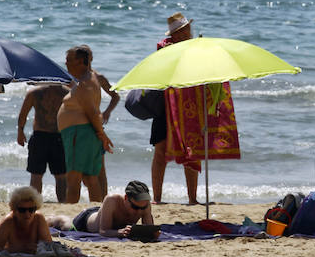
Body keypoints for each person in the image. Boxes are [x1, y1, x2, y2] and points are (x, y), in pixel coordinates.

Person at [152, 12, 240, 204]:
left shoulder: (197, 49)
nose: (186, 34)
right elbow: (163, 71)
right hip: (166, 105)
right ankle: (156, 198)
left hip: (192, 106)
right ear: (173, 35)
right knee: (160, 150)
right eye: (182, 31)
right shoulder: (164, 48)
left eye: (187, 30)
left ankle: (193, 198)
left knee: (193, 148)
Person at [57, 46, 113, 203]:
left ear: (81, 62)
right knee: (90, 177)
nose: (66, 64)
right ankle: (96, 211)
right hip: (84, 133)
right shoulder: (89, 79)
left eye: (69, 60)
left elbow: (92, 112)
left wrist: (102, 135)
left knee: (74, 178)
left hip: (79, 134)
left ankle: (74, 213)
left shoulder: (84, 84)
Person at [78, 45, 120, 199]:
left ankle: (102, 202)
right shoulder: (75, 79)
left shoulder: (98, 77)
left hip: (94, 127)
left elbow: (115, 96)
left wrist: (107, 112)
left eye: (87, 57)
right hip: (79, 127)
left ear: (91, 58)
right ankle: (97, 201)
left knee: (99, 170)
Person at [48, 180, 157, 238]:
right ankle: (51, 218)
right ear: (125, 198)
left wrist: (152, 233)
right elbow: (103, 231)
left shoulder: (144, 204)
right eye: (134, 207)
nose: (138, 211)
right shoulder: (112, 200)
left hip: (101, 212)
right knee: (64, 224)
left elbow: (149, 229)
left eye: (142, 208)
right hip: (85, 222)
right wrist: (119, 232)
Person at [17, 82, 68, 202]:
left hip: (42, 136)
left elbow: (23, 114)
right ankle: (62, 203)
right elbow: (75, 115)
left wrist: (20, 131)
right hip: (57, 137)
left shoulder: (35, 92)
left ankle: (34, 204)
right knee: (59, 176)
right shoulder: (67, 93)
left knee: (38, 175)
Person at [0, 186, 52, 253]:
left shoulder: (39, 219)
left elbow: (49, 245)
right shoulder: (8, 222)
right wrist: (21, 249)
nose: (27, 214)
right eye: (22, 210)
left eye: (31, 210)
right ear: (14, 210)